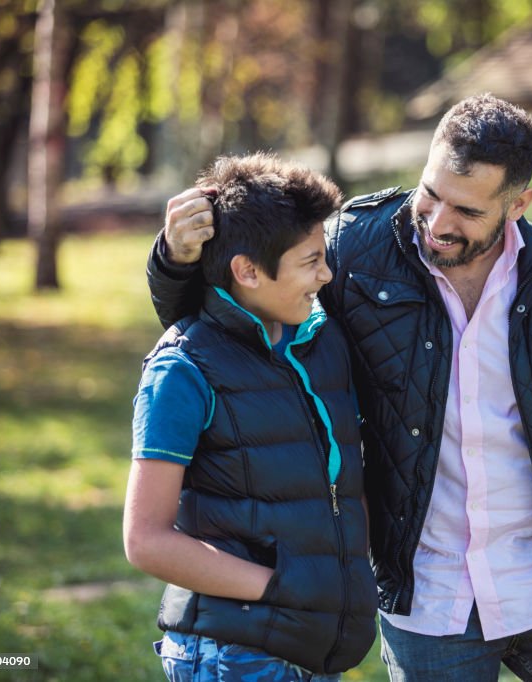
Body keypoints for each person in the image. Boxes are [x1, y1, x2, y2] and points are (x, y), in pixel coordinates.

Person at [147, 95, 532, 681]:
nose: (439, 223)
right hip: (428, 603)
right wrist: (174, 261)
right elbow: (227, 322)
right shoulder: (351, 249)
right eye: (431, 193)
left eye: (466, 210)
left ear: (518, 204)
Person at [125, 152, 376, 681]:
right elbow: (145, 540)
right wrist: (279, 588)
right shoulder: (181, 372)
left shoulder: (317, 342)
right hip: (234, 657)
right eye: (310, 262)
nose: (326, 275)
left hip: (311, 651)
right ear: (247, 271)